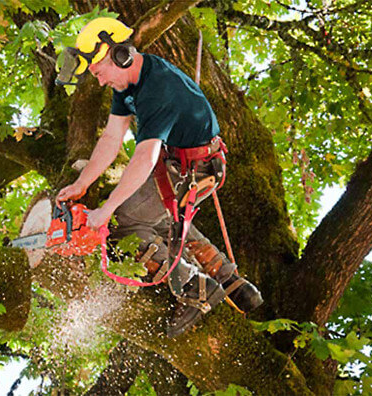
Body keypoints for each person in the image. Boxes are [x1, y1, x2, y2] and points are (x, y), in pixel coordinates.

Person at [55, 17, 262, 336]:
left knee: (124, 222)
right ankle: (227, 277)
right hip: (182, 163)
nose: (99, 82)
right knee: (159, 219)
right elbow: (111, 138)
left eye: (99, 73)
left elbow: (144, 156)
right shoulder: (129, 84)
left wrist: (106, 210)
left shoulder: (157, 89)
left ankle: (196, 289)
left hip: (194, 168)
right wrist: (82, 184)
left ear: (118, 55)